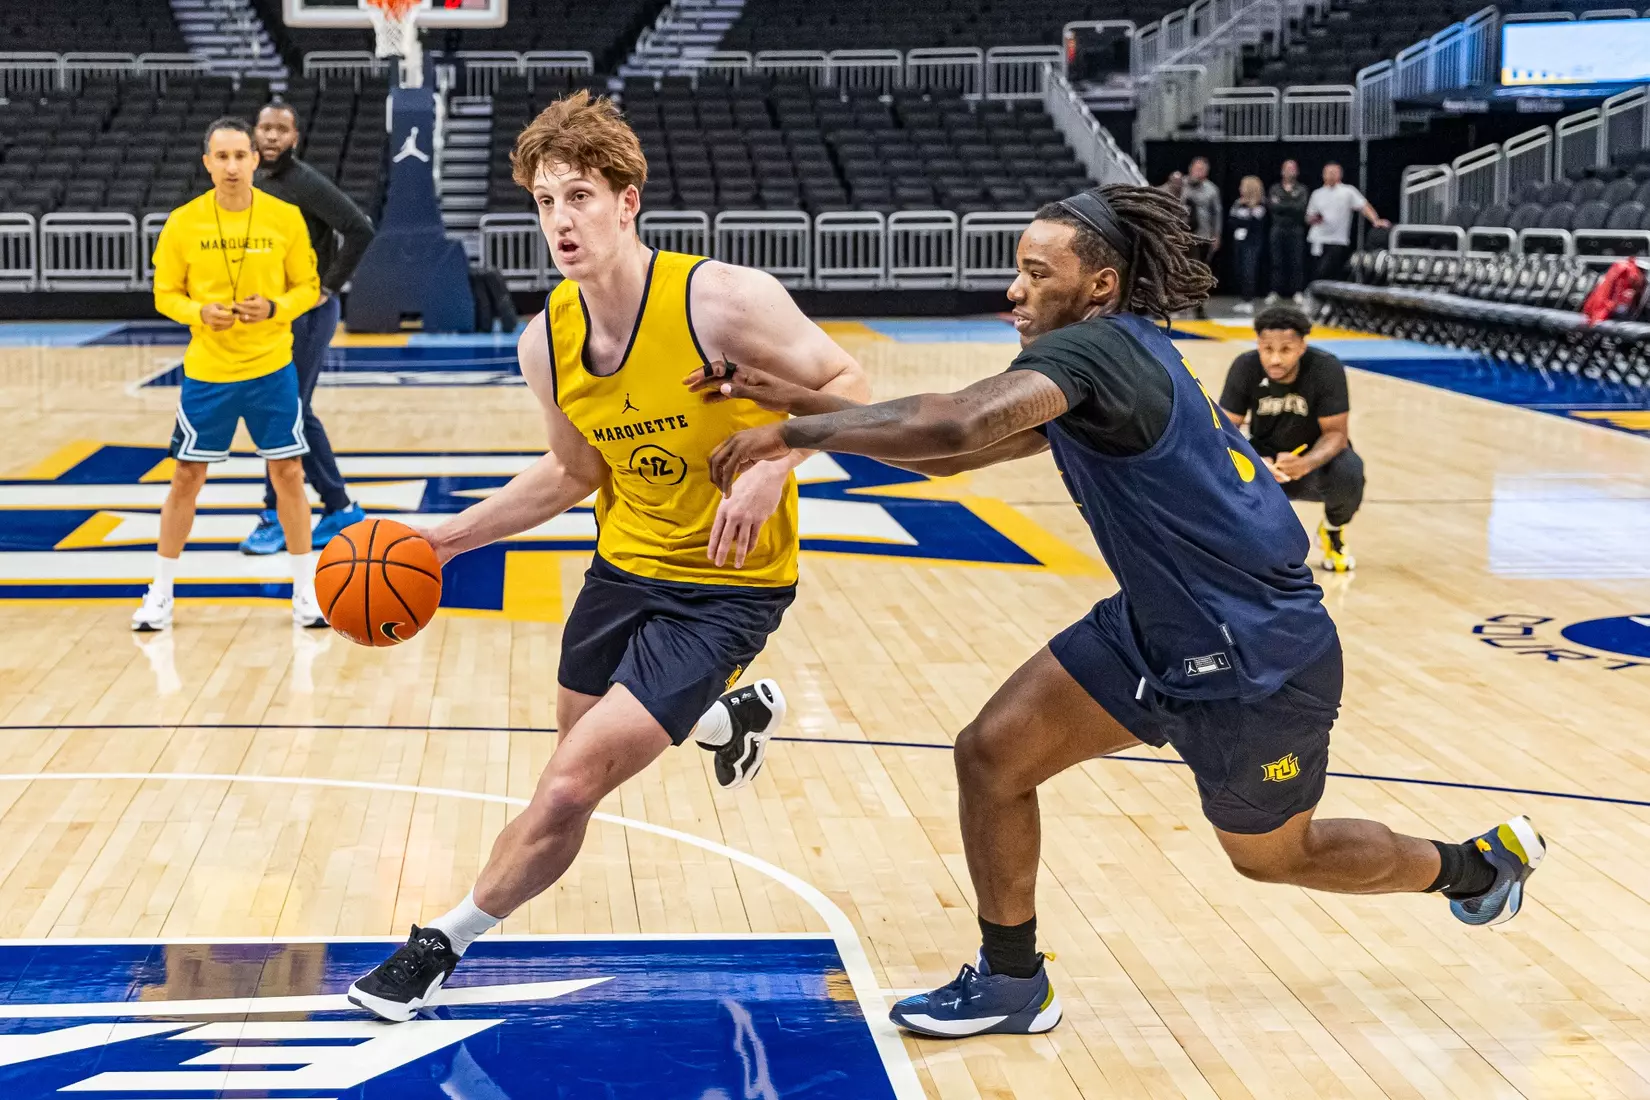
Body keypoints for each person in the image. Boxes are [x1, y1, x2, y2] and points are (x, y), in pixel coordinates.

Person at [706, 184, 1543, 1040]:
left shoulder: (1098, 352)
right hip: (1158, 629)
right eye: (1019, 270)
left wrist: (790, 435)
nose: (1015, 290)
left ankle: (1473, 868)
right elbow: (956, 456)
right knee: (992, 755)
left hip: (1259, 657)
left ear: (1100, 286)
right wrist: (792, 398)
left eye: (1038, 273)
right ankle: (1013, 981)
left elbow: (956, 425)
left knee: (1276, 857)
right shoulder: (1107, 361)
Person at [345, 91, 870, 1022]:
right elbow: (574, 472)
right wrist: (444, 539)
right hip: (622, 571)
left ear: (628, 202)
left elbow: (852, 387)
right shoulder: (544, 342)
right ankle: (727, 718)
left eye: (580, 196)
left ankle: (438, 946)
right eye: (546, 202)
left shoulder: (721, 301)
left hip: (727, 587)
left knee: (568, 785)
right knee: (577, 746)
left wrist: (775, 465)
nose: (562, 221)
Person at [135, 117, 326, 632]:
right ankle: (160, 592)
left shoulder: (285, 218)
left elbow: (308, 287)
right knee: (186, 476)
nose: (232, 166)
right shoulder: (183, 222)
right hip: (209, 371)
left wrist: (275, 308)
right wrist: (198, 312)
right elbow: (165, 293)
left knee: (289, 473)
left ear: (256, 160)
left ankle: (305, 590)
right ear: (207, 163)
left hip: (270, 368)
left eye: (241, 155)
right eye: (222, 156)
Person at [239, 100, 377, 555]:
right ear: (255, 132)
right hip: (273, 313)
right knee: (290, 410)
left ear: (294, 138)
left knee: (283, 410)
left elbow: (359, 228)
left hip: (310, 313)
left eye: (281, 129)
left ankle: (277, 514)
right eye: (265, 127)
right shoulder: (254, 182)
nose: (272, 136)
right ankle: (339, 507)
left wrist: (328, 286)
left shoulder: (305, 182)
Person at [1218, 305, 1363, 571]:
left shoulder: (1326, 368)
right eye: (1267, 349)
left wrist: (1305, 463)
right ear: (1258, 345)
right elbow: (1224, 430)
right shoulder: (1245, 366)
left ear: (1301, 347)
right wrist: (1255, 461)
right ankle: (1234, 542)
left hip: (1312, 460)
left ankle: (1332, 532)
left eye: (1285, 350)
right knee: (1218, 466)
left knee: (1349, 471)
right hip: (1263, 459)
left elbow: (1336, 434)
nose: (1275, 359)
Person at [1307, 162, 1389, 284]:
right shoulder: (1317, 193)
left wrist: (1375, 220)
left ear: (1340, 174)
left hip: (1337, 240)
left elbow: (1363, 206)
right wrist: (1314, 219)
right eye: (1328, 172)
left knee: (1331, 271)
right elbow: (1309, 216)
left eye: (1334, 172)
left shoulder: (1348, 191)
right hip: (1318, 238)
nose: (1331, 175)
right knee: (1317, 271)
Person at [1181, 157, 1221, 319]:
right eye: (1197, 169)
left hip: (1203, 236)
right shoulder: (1180, 185)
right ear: (1190, 168)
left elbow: (1217, 214)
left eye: (1202, 169)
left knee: (1200, 272)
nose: (1199, 172)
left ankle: (1198, 305)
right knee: (1183, 270)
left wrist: (1216, 234)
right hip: (1182, 235)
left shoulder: (1212, 190)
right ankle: (1182, 303)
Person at [1266, 158, 1309, 303]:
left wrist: (1283, 204)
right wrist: (1291, 203)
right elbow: (1273, 207)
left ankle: (1297, 291)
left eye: (1293, 169)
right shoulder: (1275, 188)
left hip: (1296, 229)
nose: (1290, 171)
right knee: (1276, 261)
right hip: (1277, 229)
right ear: (1282, 171)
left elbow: (1300, 208)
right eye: (1287, 168)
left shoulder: (1302, 189)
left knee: (1296, 261)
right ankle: (1275, 291)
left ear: (1297, 172)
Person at [1228, 175, 1267, 314]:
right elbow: (1232, 220)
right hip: (1239, 240)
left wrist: (1243, 219)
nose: (1240, 188)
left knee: (1248, 270)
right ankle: (1243, 298)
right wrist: (1243, 220)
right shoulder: (1237, 203)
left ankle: (1249, 300)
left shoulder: (1260, 204)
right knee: (1239, 269)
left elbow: (1255, 223)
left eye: (1242, 186)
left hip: (1252, 242)